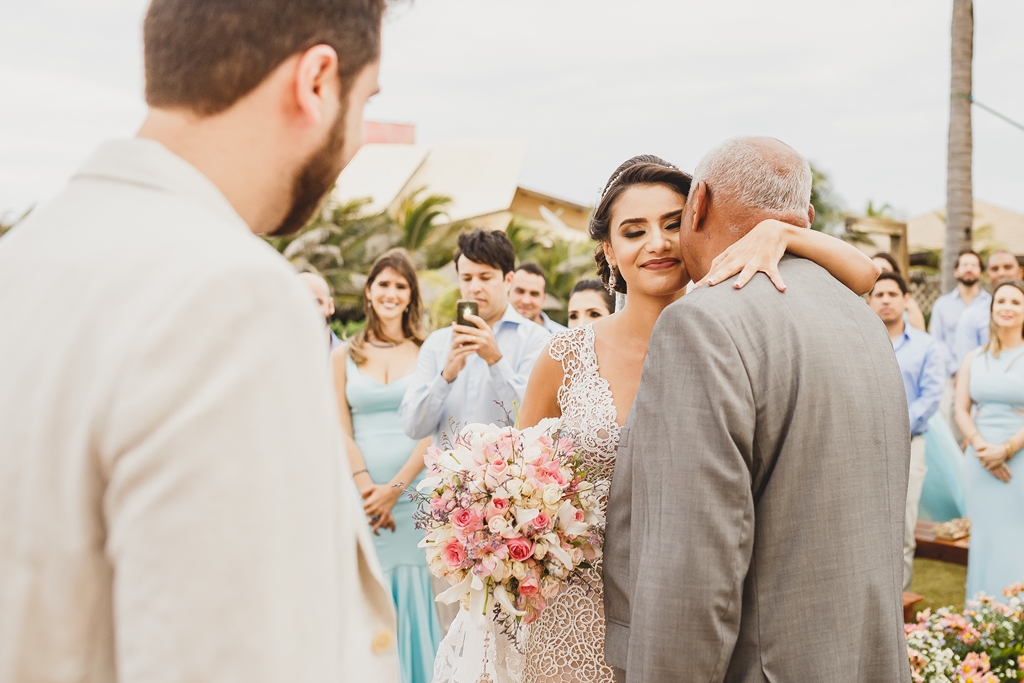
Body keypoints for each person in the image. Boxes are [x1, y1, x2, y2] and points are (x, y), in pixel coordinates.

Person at [0, 0, 399, 680]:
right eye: (366, 103)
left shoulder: (24, 261)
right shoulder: (232, 295)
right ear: (317, 80)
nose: (359, 137)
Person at [507, 152, 882, 683]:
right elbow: (518, 477)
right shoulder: (562, 356)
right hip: (576, 615)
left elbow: (864, 275)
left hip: (683, 620)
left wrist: (780, 233)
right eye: (634, 231)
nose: (657, 244)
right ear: (608, 250)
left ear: (695, 225)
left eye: (672, 224)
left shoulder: (723, 332)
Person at [602, 138, 911, 682]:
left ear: (698, 205)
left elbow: (691, 570)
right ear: (807, 220)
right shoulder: (860, 317)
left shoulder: (704, 325)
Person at [399, 227, 549, 631]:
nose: (475, 287)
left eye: (485, 277)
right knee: (451, 629)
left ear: (508, 279)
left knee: (513, 635)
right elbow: (413, 426)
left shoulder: (538, 341)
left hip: (514, 512)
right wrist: (447, 373)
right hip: (446, 513)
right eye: (467, 278)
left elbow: (535, 420)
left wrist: (494, 358)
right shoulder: (436, 345)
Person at [331, 249, 443, 683]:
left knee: (414, 597)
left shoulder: (425, 350)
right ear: (369, 291)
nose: (391, 292)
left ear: (410, 295)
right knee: (366, 596)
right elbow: (340, 429)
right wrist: (366, 488)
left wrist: (395, 488)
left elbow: (433, 429)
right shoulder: (342, 356)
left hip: (412, 496)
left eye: (401, 285)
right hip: (362, 500)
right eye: (384, 284)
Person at [867, 271, 945, 589]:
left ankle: (900, 607)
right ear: (869, 301)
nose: (885, 300)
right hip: (864, 444)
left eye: (892, 294)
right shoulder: (860, 342)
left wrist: (893, 426)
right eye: (879, 295)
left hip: (910, 445)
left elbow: (931, 396)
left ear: (906, 299)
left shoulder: (927, 347)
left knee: (903, 526)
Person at [954, 279, 1024, 601]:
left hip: (1019, 458)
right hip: (979, 462)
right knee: (984, 537)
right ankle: (981, 619)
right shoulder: (973, 358)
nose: (1007, 308)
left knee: (1016, 535)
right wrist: (983, 449)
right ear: (991, 309)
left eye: (1015, 302)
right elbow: (960, 409)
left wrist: (1007, 449)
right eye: (1001, 302)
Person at [952, 250, 1024, 369]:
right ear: (987, 275)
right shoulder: (972, 315)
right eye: (995, 269)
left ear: (1020, 272)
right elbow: (965, 363)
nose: (1001, 273)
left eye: (1008, 267)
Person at [930, 249, 988, 376]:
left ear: (981, 273)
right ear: (956, 271)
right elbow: (937, 341)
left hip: (984, 374)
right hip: (950, 376)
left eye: (974, 265)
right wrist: (954, 370)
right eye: (965, 265)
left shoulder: (991, 305)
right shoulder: (942, 305)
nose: (969, 269)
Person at [872, 252, 926, 331]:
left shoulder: (909, 305)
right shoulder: (858, 300)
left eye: (884, 270)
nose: (878, 273)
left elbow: (919, 335)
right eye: (874, 269)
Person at [510, 262, 567, 333]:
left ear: (544, 299)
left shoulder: (564, 337)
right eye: (520, 291)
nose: (526, 301)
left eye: (534, 294)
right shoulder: (493, 332)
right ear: (508, 292)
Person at [299, 271, 344, 350]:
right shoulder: (277, 358)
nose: (310, 310)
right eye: (300, 303)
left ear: (331, 305)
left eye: (317, 302)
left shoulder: (353, 358)